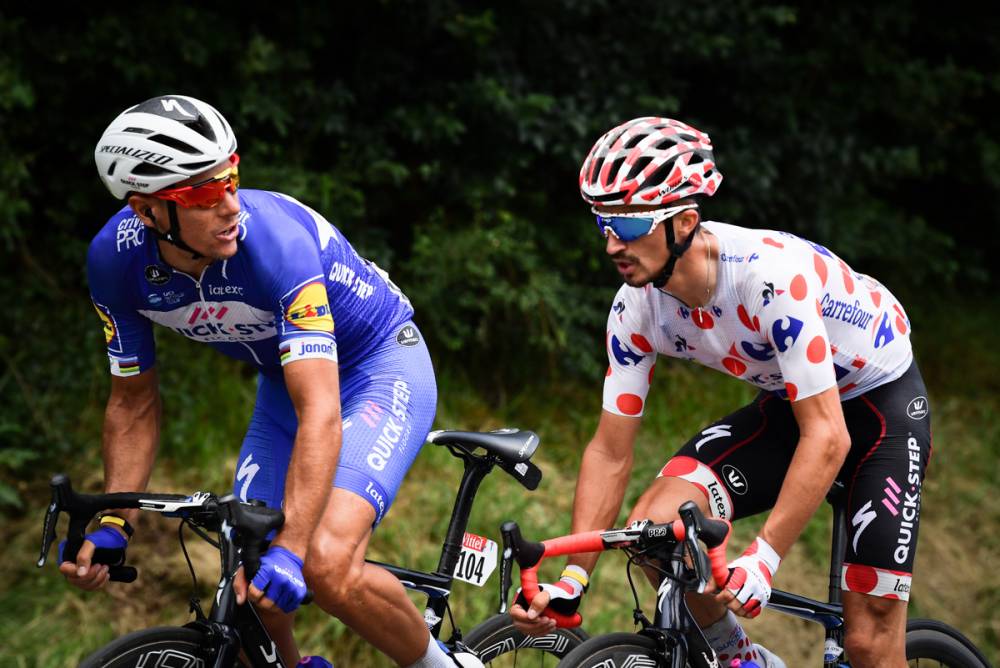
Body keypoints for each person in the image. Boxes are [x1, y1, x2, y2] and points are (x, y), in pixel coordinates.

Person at [61, 94, 476, 668]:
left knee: (323, 562)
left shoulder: (275, 243)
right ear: (148, 210)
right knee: (246, 576)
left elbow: (321, 411)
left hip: (377, 368)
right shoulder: (114, 263)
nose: (231, 205)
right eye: (204, 195)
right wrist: (115, 520)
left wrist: (294, 546)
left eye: (231, 179)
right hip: (286, 386)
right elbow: (132, 403)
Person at [511, 117, 930, 668]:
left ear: (684, 222)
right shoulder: (635, 308)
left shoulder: (768, 279)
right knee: (656, 535)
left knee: (869, 640)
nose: (613, 243)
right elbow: (610, 451)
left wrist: (764, 558)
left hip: (880, 406)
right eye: (603, 223)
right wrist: (573, 579)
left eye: (630, 225)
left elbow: (829, 436)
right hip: (793, 402)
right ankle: (741, 659)